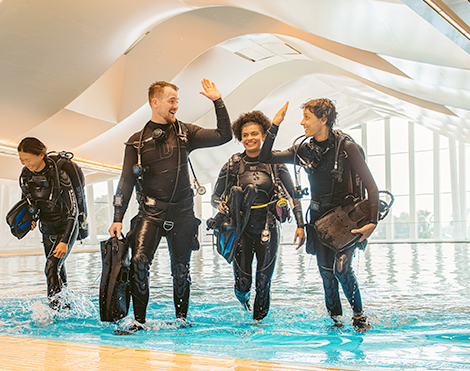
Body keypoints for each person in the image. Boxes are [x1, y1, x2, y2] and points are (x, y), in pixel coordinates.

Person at [108, 79, 233, 326]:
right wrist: (117, 218)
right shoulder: (136, 142)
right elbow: (126, 182)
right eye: (171, 100)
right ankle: (139, 321)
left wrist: (218, 101)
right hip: (150, 213)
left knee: (181, 269)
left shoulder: (187, 133)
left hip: (183, 213)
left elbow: (224, 135)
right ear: (155, 102)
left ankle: (181, 320)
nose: (176, 105)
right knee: (138, 262)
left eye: (178, 101)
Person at [260, 98, 379, 331]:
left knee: (342, 269)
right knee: (327, 276)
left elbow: (371, 186)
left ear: (323, 119)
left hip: (346, 219)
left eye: (307, 117)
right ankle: (336, 322)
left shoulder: (347, 148)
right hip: (319, 221)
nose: (302, 123)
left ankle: (358, 316)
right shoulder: (304, 149)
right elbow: (266, 157)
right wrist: (274, 126)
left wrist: (372, 223)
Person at [211, 107, 305, 321]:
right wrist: (220, 206)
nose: (249, 138)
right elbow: (215, 196)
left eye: (254, 134)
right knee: (243, 283)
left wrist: (300, 224)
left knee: (263, 281)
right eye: (245, 135)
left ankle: (259, 323)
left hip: (267, 228)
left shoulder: (276, 163)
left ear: (264, 136)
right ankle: (243, 300)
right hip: (240, 229)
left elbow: (293, 195)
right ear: (240, 138)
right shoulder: (233, 164)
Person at [17, 137, 80, 309]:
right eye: (22, 160)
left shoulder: (59, 175)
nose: (25, 163)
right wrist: (29, 220)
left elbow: (73, 210)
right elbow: (27, 202)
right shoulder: (26, 175)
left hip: (66, 226)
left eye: (28, 159)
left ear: (40, 154)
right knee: (57, 268)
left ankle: (54, 310)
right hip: (46, 227)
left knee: (50, 267)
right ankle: (66, 307)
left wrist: (64, 241)